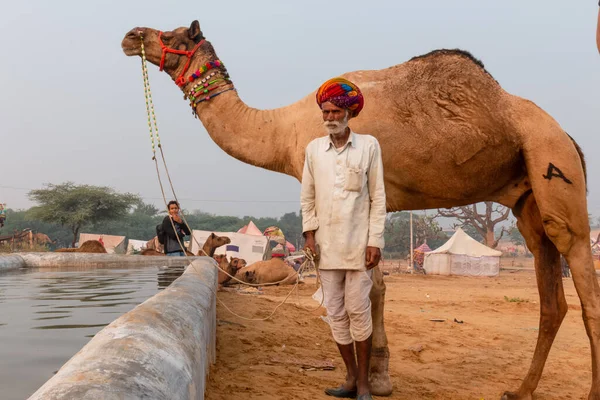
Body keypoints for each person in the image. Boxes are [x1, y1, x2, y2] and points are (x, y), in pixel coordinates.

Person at [301, 77, 386, 400]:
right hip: (325, 248)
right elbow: (307, 197)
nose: (330, 118)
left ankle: (364, 383)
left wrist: (374, 241)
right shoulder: (313, 150)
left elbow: (378, 197)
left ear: (349, 113)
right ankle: (350, 378)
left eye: (335, 112)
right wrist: (309, 236)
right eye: (326, 112)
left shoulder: (369, 146)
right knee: (335, 313)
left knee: (358, 310)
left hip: (358, 247)